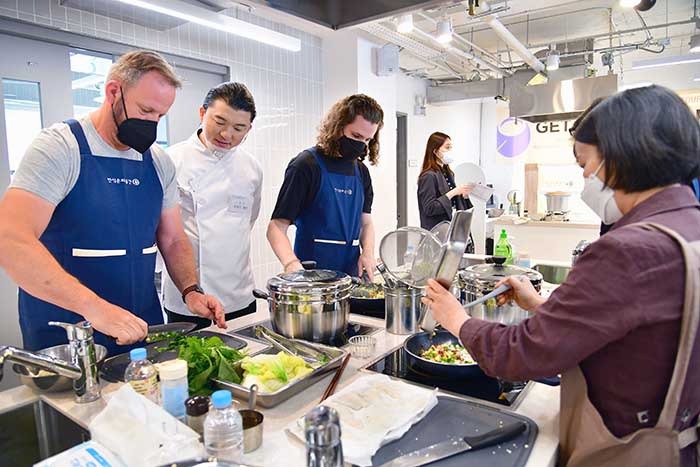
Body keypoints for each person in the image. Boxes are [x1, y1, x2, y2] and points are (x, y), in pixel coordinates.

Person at [425, 85, 699, 467]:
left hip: (624, 447)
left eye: (586, 163)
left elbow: (521, 355)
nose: (585, 175)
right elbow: (631, 325)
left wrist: (456, 318)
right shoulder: (687, 226)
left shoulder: (627, 250)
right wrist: (541, 305)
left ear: (622, 155)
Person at [0, 50, 225, 355]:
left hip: (141, 327)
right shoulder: (60, 148)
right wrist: (94, 307)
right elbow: (10, 239)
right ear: (113, 92)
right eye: (146, 110)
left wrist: (191, 291)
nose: (152, 122)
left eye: (160, 116)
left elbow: (173, 239)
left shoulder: (158, 162)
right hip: (68, 333)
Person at [161, 82, 261, 329]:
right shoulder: (171, 160)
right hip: (188, 296)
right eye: (220, 122)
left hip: (238, 293)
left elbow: (248, 221)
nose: (227, 135)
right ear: (202, 113)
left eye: (239, 128)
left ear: (249, 128)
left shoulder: (251, 168)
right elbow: (163, 231)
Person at [267, 94, 384, 278]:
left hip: (350, 278)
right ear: (338, 126)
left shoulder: (361, 172)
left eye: (367, 140)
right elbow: (276, 227)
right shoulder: (305, 166)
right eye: (356, 136)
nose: (360, 145)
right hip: (311, 280)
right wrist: (291, 263)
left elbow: (366, 223)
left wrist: (368, 252)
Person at [417, 132, 474, 231]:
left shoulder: (448, 173)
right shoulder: (428, 176)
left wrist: (464, 195)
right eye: (447, 147)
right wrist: (454, 192)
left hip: (449, 226)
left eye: (451, 148)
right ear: (435, 151)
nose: (450, 151)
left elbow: (454, 203)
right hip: (435, 229)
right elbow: (430, 208)